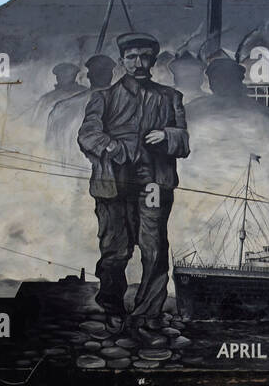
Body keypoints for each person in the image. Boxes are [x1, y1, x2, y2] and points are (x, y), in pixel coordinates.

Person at [78, 32, 189, 344]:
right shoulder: (103, 97)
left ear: (153, 60)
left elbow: (184, 142)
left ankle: (148, 316)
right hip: (113, 183)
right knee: (114, 250)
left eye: (144, 57)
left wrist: (167, 136)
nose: (138, 63)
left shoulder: (170, 97)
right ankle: (111, 308)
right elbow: (88, 135)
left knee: (154, 249)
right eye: (132, 57)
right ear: (121, 61)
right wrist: (114, 148)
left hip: (154, 183)